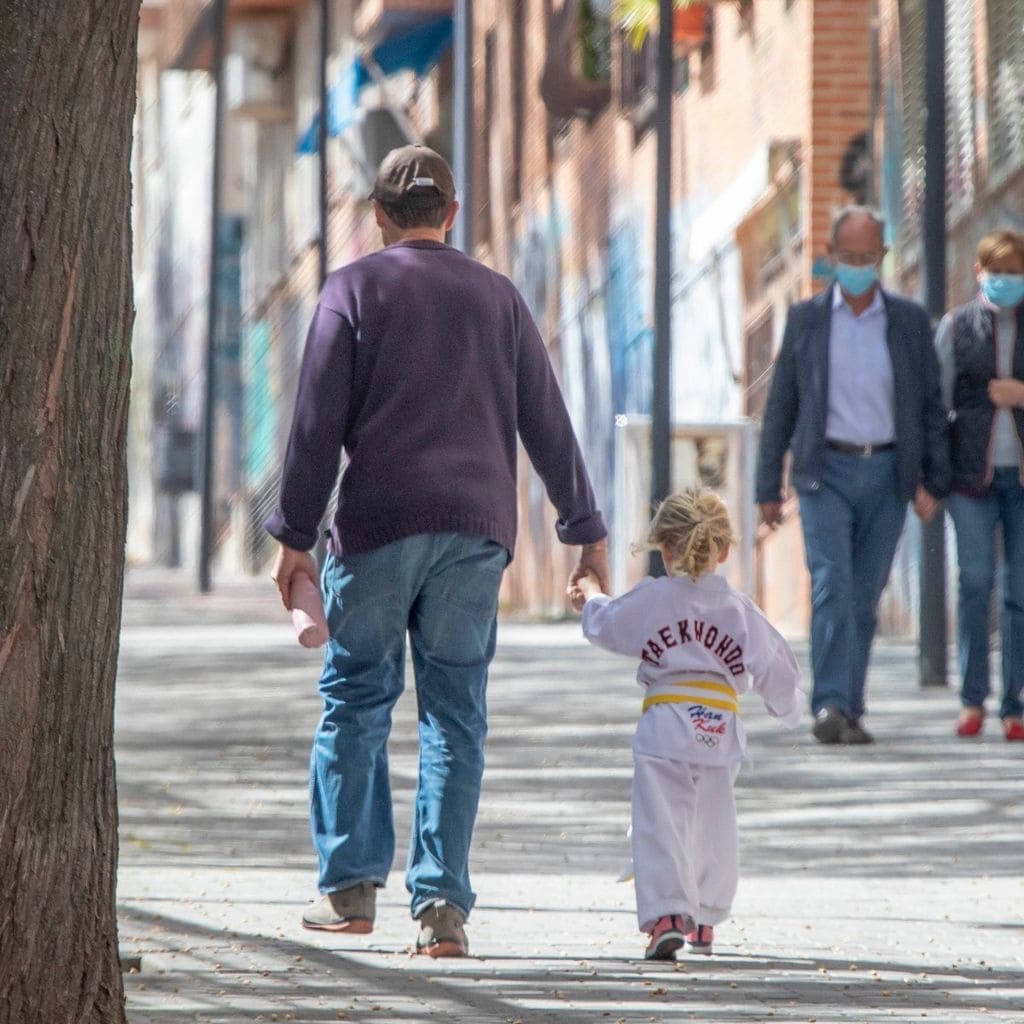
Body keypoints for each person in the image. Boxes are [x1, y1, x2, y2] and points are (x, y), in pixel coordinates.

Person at [264, 144, 610, 957]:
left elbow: (316, 426)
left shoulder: (352, 289)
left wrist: (293, 538)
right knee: (456, 714)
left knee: (357, 696)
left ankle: (349, 892)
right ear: (452, 215)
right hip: (475, 530)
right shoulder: (499, 299)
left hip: (378, 525)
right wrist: (584, 530)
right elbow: (547, 422)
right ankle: (442, 911)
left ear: (378, 216)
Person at [570, 488, 803, 960]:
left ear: (665, 548)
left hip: (665, 724)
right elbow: (776, 665)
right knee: (712, 822)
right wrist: (788, 707)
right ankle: (706, 915)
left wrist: (592, 594)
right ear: (724, 549)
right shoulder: (739, 610)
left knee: (661, 821)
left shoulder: (654, 599)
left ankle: (669, 915)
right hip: (720, 727)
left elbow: (607, 624)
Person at [756, 206, 951, 745]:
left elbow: (931, 405)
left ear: (884, 257)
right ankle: (830, 704)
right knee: (832, 584)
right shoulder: (807, 320)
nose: (859, 266)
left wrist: (934, 481)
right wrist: (766, 487)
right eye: (849, 258)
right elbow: (781, 408)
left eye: (869, 258)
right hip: (825, 473)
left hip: (888, 473)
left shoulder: (910, 322)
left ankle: (851, 706)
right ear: (830, 257)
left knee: (865, 594)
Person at [935, 228, 1024, 742]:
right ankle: (972, 700)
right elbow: (937, 402)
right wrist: (937, 474)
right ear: (979, 273)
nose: (1006, 280)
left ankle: (1015, 705)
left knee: (1019, 593)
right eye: (998, 271)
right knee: (974, 583)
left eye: (1015, 271)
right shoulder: (957, 326)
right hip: (972, 480)